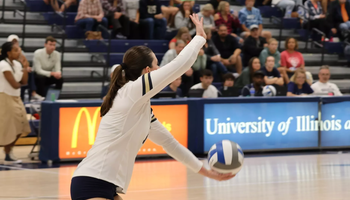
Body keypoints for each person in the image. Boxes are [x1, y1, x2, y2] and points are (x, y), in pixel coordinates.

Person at [70, 14, 234, 200]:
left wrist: (208, 173)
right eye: (157, 65)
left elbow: (170, 144)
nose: (160, 69)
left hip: (108, 186)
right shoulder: (132, 91)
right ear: (147, 71)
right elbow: (178, 66)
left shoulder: (142, 108)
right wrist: (199, 39)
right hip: (91, 181)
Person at [0, 42, 31, 164]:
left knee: (22, 125)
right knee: (7, 128)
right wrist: (21, 84)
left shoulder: (18, 64)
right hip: (5, 97)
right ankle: (8, 152)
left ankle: (8, 152)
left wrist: (25, 67)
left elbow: (23, 81)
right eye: (16, 50)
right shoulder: (3, 65)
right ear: (9, 53)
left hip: (16, 98)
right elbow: (15, 84)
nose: (19, 52)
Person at [7, 35, 44, 101]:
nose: (15, 44)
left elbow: (26, 64)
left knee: (30, 72)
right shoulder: (5, 52)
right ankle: (32, 93)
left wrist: (27, 68)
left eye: (16, 42)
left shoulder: (21, 52)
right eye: (13, 42)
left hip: (19, 71)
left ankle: (32, 94)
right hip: (11, 71)